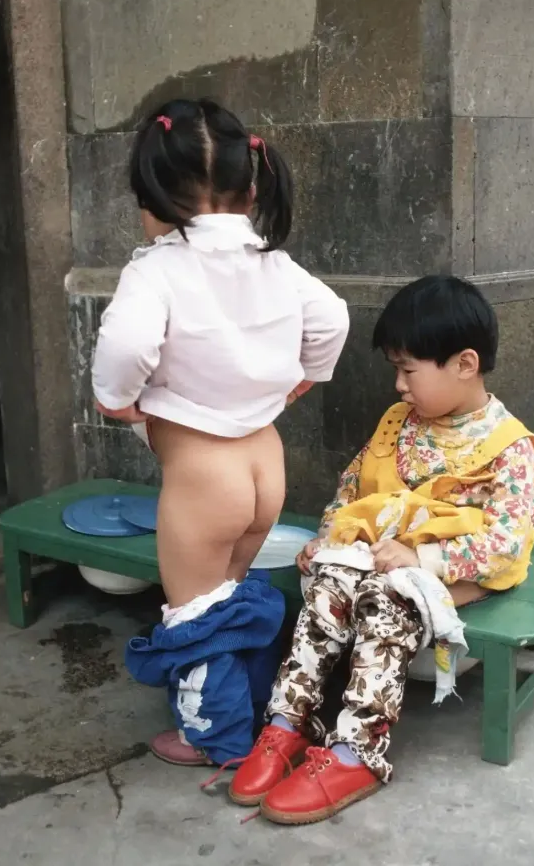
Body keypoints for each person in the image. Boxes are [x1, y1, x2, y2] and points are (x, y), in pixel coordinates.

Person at [227, 275, 534, 824]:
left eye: (408, 370)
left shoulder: (511, 450)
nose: (398, 385)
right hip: (378, 558)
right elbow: (353, 488)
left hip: (457, 578)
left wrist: (422, 559)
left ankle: (359, 752)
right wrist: (330, 537)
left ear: (465, 364)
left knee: (385, 596)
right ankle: (288, 721)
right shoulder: (398, 424)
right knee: (329, 586)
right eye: (395, 370)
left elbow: (505, 543)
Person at [91, 98, 349, 767]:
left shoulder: (156, 270)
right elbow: (332, 317)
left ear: (151, 200)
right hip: (264, 465)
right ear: (252, 189)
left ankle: (214, 737)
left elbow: (127, 343)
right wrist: (305, 378)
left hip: (205, 480)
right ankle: (254, 706)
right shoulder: (275, 263)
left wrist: (116, 401)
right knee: (228, 597)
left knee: (195, 612)